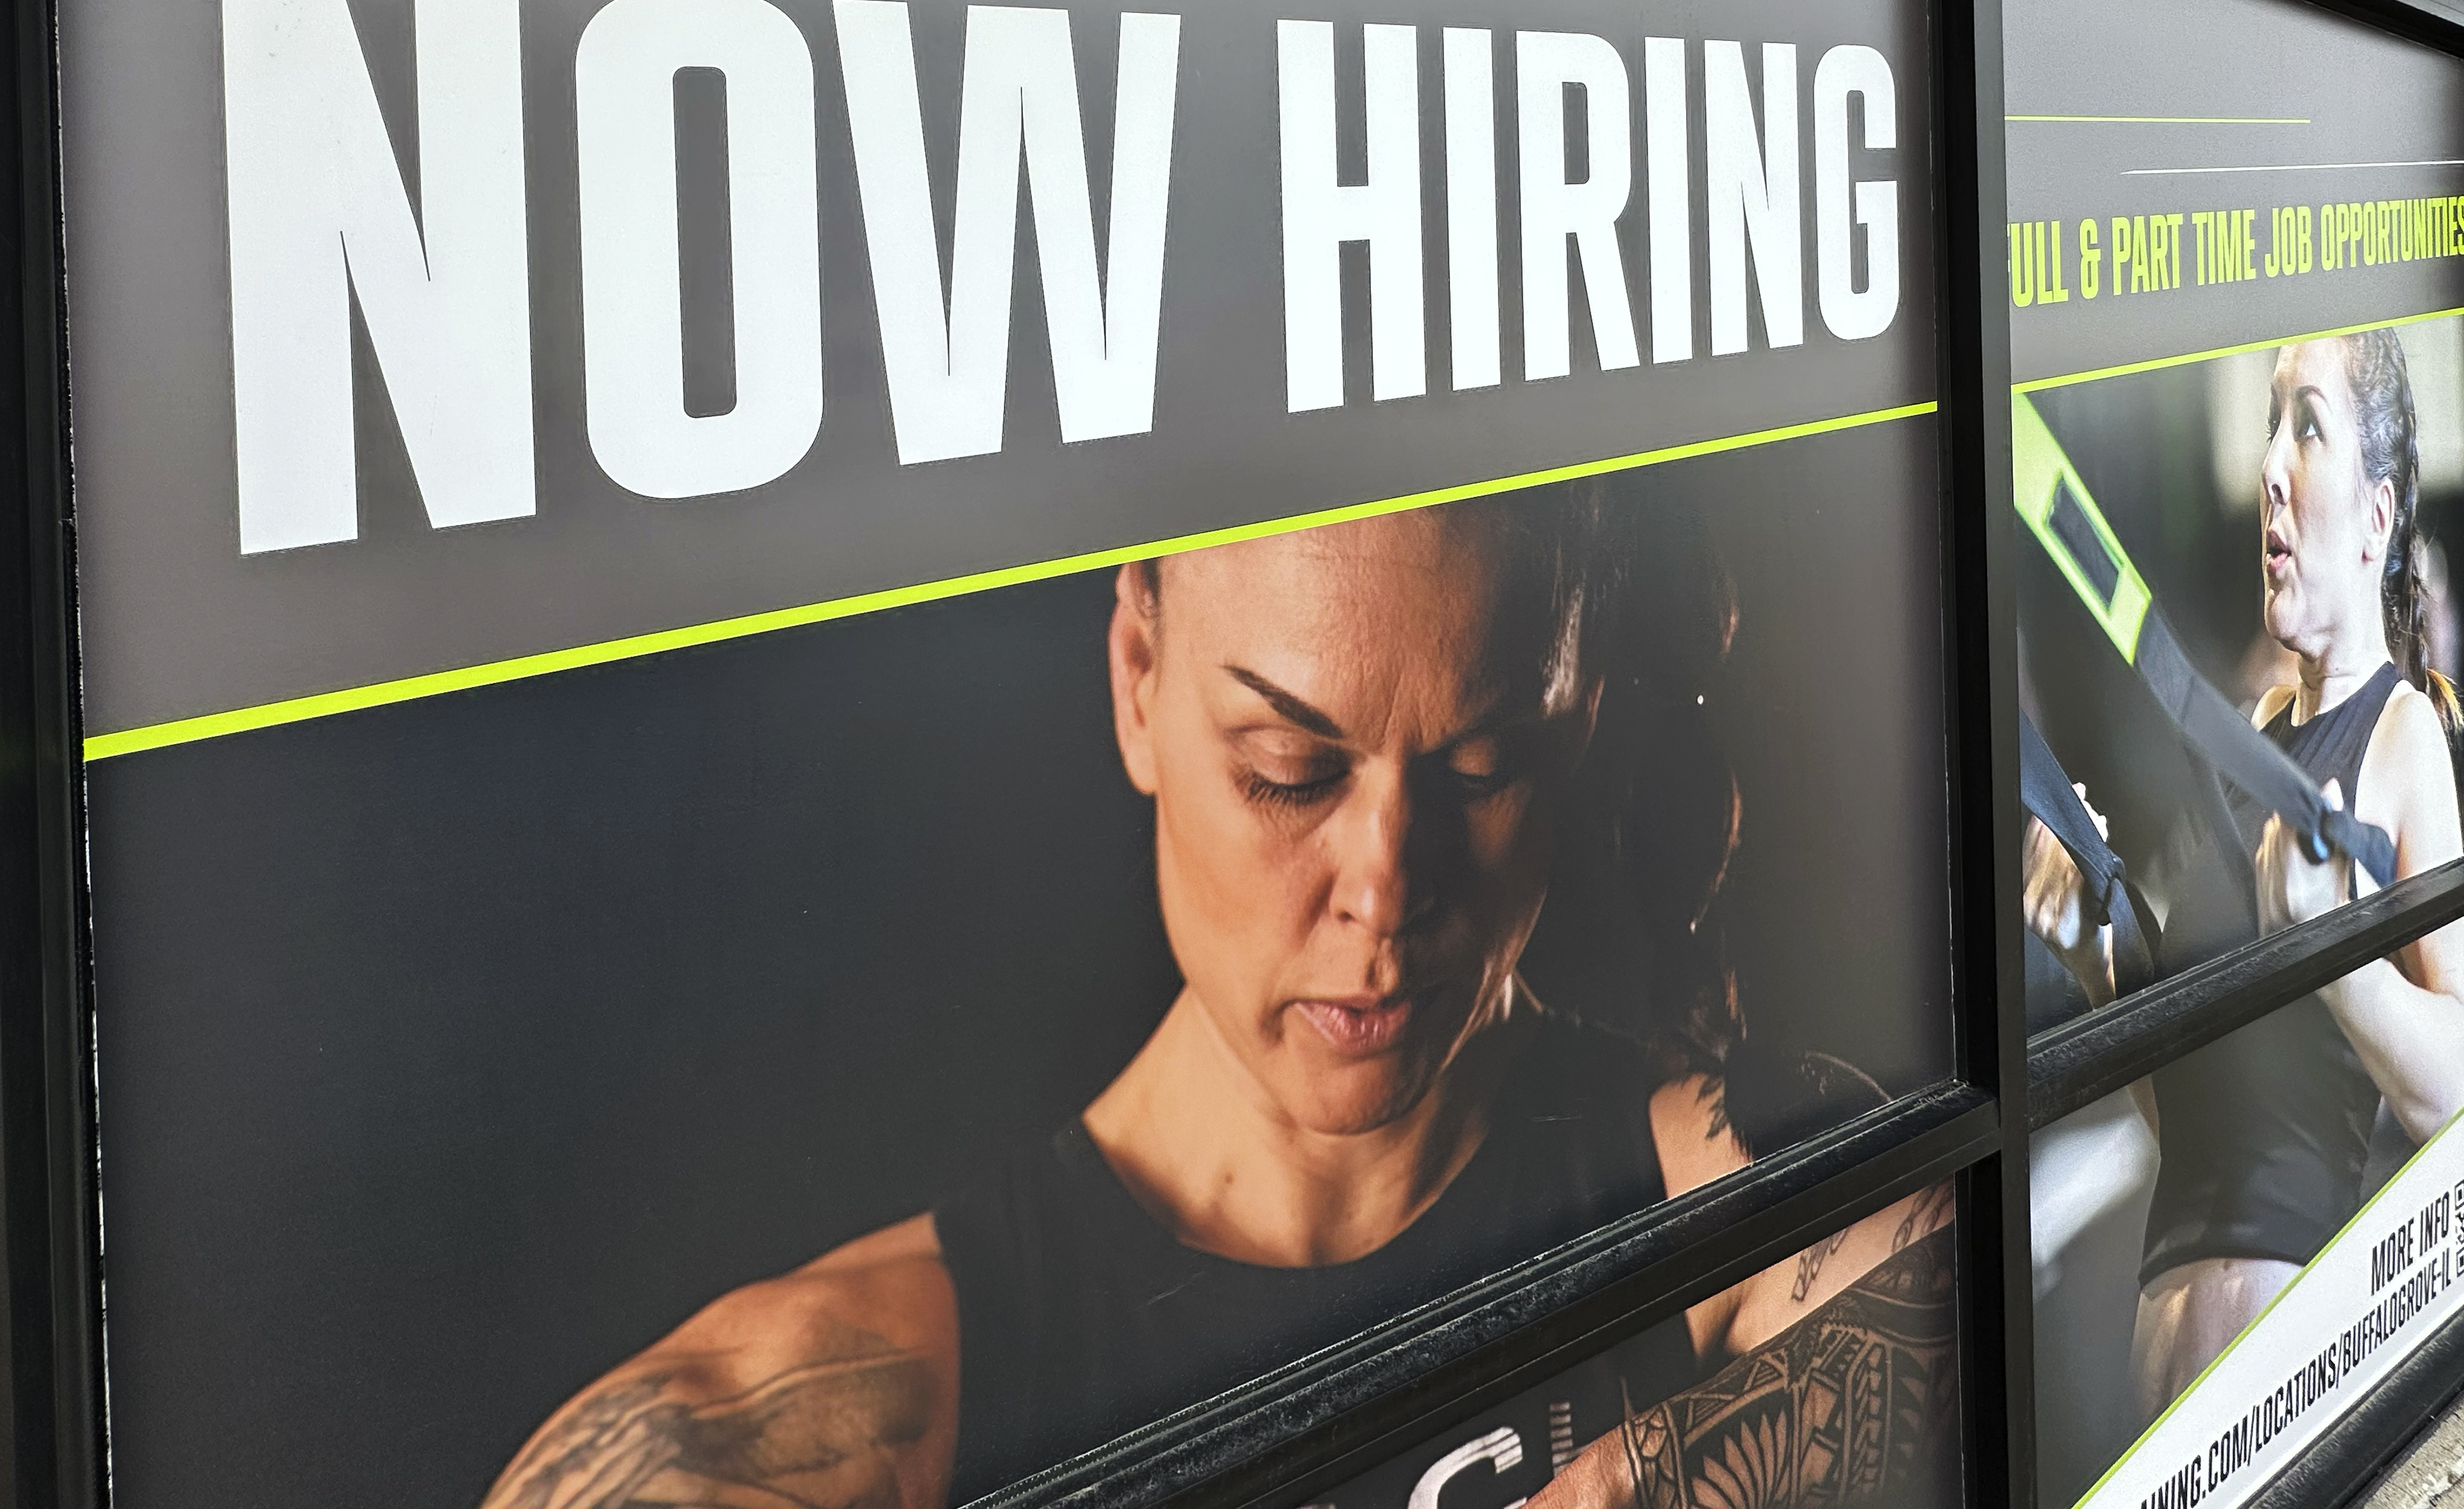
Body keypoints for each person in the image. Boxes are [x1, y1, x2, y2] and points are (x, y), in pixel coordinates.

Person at [480, 488, 1953, 1509]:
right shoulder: (840, 1399)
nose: (1383, 886)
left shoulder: (1760, 1206)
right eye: (1289, 773)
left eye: (1480, 769)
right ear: (1140, 675)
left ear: (1577, 726)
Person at [2122, 329, 2464, 1415]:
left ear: (2375, 517)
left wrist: (2340, 960)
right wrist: (2096, 963)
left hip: (2285, 1416)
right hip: (2168, 1416)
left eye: (2307, 427)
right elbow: (2199, 1115)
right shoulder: (2246, 744)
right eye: (2272, 424)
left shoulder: (2399, 735)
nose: (2271, 465)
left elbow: (2458, 1094)